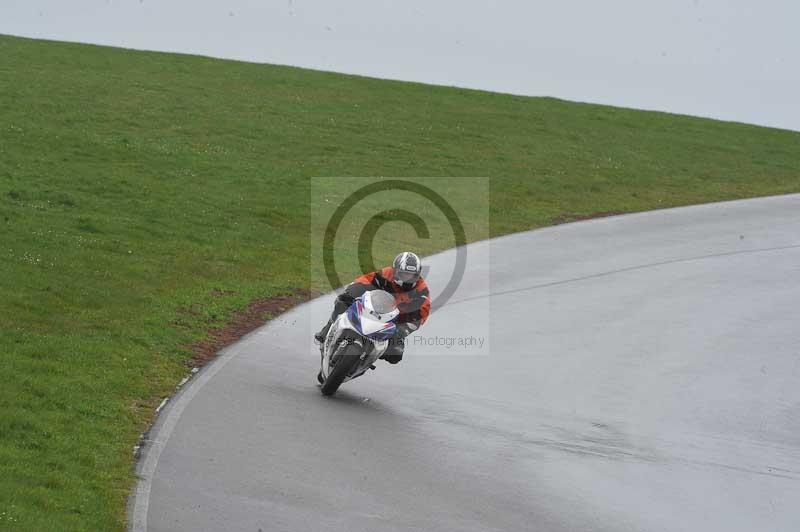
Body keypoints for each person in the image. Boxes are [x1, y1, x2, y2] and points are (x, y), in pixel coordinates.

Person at [315, 251, 430, 364]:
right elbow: (364, 281)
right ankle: (327, 329)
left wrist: (403, 329)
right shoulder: (386, 274)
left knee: (395, 355)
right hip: (373, 307)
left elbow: (421, 313)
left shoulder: (421, 290)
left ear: (417, 275)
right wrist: (350, 293)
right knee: (342, 302)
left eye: (411, 275)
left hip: (394, 321)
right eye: (404, 274)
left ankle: (369, 357)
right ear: (395, 271)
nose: (407, 278)